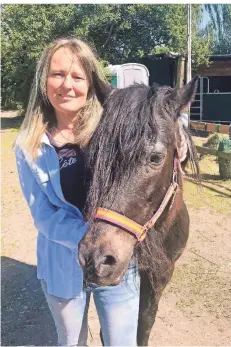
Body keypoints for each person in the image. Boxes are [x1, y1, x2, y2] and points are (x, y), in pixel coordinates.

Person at [15, 37, 140, 346]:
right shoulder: (28, 144)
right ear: (44, 81)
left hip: (116, 257)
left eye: (77, 76)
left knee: (121, 342)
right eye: (57, 74)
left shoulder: (113, 131)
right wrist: (87, 238)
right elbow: (43, 215)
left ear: (90, 83)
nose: (66, 85)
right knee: (71, 341)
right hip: (62, 263)